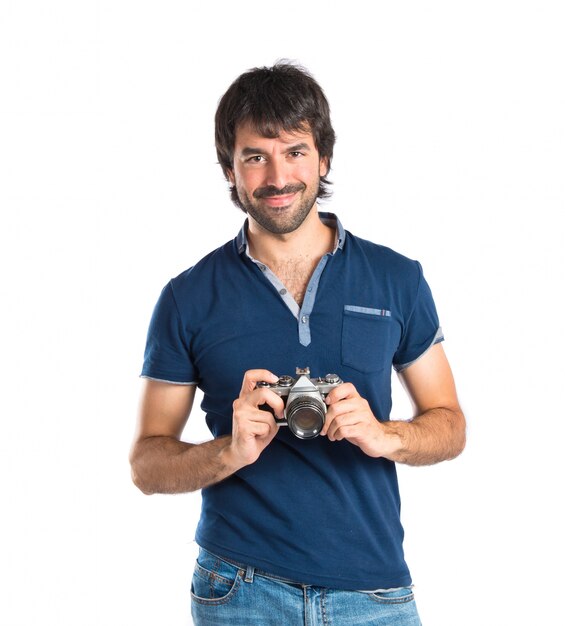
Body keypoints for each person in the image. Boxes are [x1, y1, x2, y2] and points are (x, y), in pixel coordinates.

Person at [130, 62, 466, 626]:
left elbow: (450, 424)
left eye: (295, 151)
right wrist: (227, 451)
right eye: (254, 156)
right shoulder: (187, 297)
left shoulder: (396, 279)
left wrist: (384, 435)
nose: (277, 176)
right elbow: (146, 463)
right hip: (239, 586)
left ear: (324, 159)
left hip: (374, 588)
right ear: (230, 171)